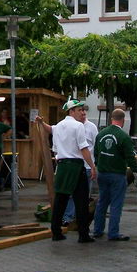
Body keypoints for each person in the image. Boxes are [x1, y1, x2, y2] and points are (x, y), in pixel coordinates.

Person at [49, 99, 97, 243]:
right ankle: (83, 234)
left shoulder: (58, 126)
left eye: (82, 110)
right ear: (71, 111)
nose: (82, 113)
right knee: (81, 201)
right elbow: (84, 149)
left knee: (60, 200)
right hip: (76, 165)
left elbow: (55, 149)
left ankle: (56, 231)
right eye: (79, 110)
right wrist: (92, 166)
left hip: (62, 165)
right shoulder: (78, 126)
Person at [92, 108, 137, 241]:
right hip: (117, 174)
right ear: (123, 120)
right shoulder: (124, 137)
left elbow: (96, 153)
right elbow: (130, 157)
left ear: (111, 119)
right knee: (116, 204)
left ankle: (97, 230)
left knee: (102, 203)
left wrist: (99, 165)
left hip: (103, 173)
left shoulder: (101, 134)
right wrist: (136, 172)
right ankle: (113, 233)